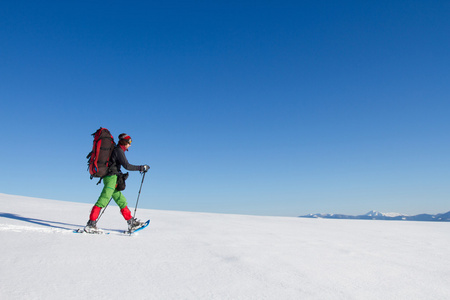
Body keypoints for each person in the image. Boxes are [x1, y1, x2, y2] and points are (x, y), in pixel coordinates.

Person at [84, 133, 150, 233]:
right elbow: (127, 166)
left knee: (121, 200)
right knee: (103, 199)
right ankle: (91, 224)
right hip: (110, 178)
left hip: (113, 178)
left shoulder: (118, 150)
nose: (130, 145)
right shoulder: (118, 150)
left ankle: (131, 223)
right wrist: (141, 168)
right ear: (125, 142)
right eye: (130, 142)